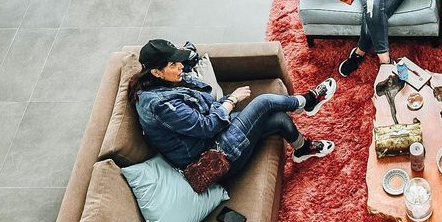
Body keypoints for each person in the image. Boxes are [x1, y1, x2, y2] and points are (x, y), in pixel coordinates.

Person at [133, 38, 336, 176]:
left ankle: (302, 149)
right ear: (156, 72)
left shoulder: (163, 80)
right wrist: (231, 100)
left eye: (178, 61)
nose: (179, 67)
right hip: (212, 158)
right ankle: (307, 102)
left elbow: (189, 57)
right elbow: (206, 127)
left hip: (215, 134)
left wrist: (185, 56)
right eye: (173, 64)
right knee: (264, 102)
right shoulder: (160, 105)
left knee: (279, 119)